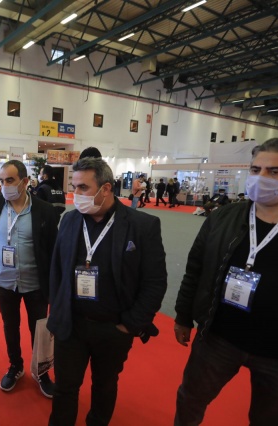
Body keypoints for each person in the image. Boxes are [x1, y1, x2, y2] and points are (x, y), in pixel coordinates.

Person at [173, 138, 278, 426]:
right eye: (255, 169)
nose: (261, 177)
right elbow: (195, 268)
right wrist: (183, 315)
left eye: (274, 172)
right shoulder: (224, 217)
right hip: (219, 336)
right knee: (190, 399)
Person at [47, 157, 167, 426]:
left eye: (83, 188)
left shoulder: (142, 226)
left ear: (106, 188)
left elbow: (155, 282)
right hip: (72, 325)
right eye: (74, 187)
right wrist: (57, 314)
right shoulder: (69, 221)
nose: (76, 194)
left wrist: (129, 325)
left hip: (113, 328)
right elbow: (57, 271)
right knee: (64, 387)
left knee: (104, 385)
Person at [0, 159, 59, 398]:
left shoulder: (45, 210)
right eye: (1, 181)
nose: (5, 186)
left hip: (36, 283)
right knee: (10, 325)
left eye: (10, 180)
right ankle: (16, 366)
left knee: (39, 329)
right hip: (4, 280)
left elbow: (54, 248)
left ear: (25, 182)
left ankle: (42, 372)